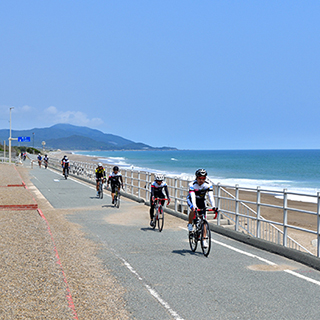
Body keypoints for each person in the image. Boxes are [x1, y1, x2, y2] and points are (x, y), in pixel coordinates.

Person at [187, 169, 216, 248]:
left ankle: (203, 240)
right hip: (192, 200)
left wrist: (213, 206)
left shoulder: (208, 184)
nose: (201, 180)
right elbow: (192, 196)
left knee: (204, 221)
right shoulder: (192, 184)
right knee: (193, 209)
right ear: (196, 178)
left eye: (203, 178)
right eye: (200, 178)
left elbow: (210, 196)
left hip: (201, 201)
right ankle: (190, 223)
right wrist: (194, 206)